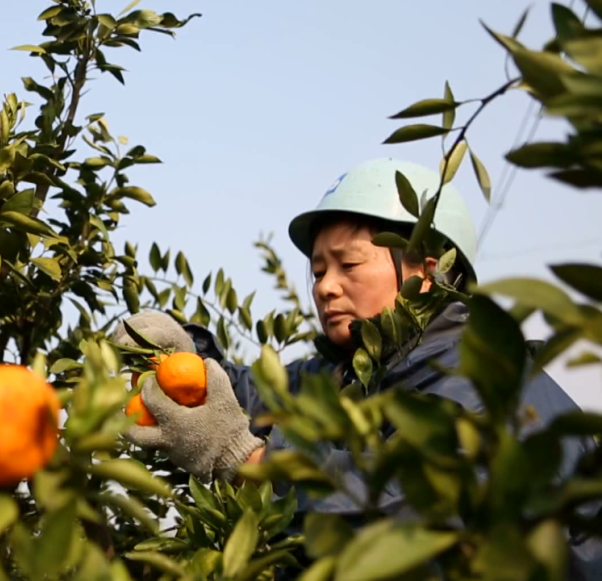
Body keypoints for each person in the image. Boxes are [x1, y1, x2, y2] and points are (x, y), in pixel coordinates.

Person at [113, 158, 601, 577]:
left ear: (427, 274)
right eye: (318, 270)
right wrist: (178, 349)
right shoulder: (355, 374)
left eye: (348, 265)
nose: (325, 287)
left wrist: (251, 462)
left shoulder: (488, 380)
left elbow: (410, 511)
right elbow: (250, 395)